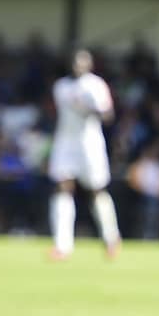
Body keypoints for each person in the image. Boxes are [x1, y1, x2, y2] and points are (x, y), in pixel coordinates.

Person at [48, 49, 122, 260]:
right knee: (63, 187)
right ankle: (62, 245)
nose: (77, 66)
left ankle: (111, 237)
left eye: (81, 62)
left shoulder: (96, 85)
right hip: (65, 141)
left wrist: (89, 107)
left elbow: (108, 115)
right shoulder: (60, 86)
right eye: (74, 62)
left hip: (89, 143)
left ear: (89, 65)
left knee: (96, 190)